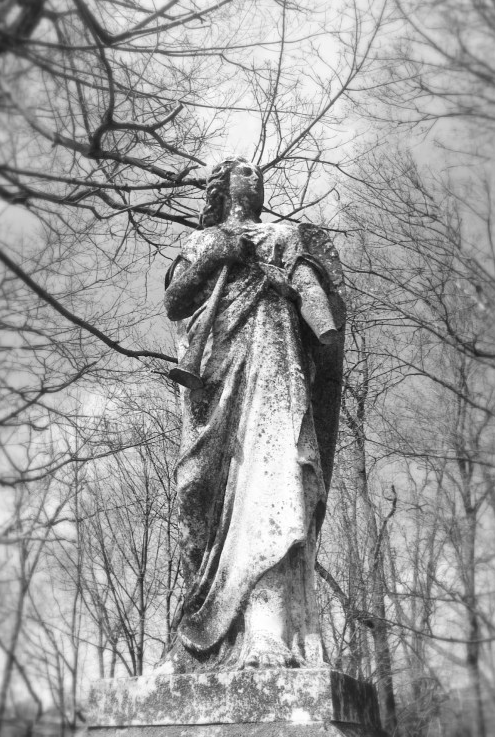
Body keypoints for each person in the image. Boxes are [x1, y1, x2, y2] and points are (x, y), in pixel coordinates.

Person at [162, 156, 344, 671]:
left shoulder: (284, 238)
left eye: (259, 174)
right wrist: (218, 251)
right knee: (196, 494)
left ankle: (268, 629)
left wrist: (296, 290)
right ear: (220, 187)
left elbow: (318, 307)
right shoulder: (201, 242)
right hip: (214, 378)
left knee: (271, 484)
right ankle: (196, 634)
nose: (256, 178)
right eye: (245, 172)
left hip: (272, 363)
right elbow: (177, 303)